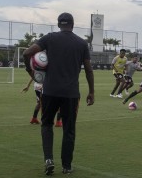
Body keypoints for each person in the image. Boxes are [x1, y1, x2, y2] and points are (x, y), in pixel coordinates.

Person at [23, 12, 94, 175]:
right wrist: (91, 92)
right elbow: (89, 70)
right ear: (73, 24)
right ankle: (67, 166)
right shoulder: (81, 43)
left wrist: (30, 70)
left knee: (47, 124)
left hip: (49, 92)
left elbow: (27, 53)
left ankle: (48, 160)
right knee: (69, 129)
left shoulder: (49, 38)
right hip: (71, 94)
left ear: (58, 24)